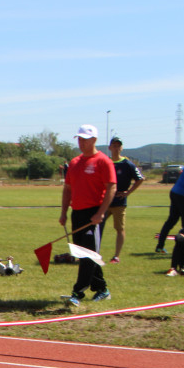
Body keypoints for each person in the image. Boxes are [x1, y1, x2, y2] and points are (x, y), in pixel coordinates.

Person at [60, 124, 116, 306]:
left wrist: (101, 213)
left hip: (95, 213)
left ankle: (77, 293)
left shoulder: (103, 161)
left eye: (85, 139)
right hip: (77, 213)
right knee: (83, 253)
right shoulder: (75, 163)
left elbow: (111, 188)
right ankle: (102, 289)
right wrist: (63, 213)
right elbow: (67, 189)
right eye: (79, 139)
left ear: (94, 140)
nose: (81, 142)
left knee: (88, 253)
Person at [105, 137, 145, 263]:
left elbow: (140, 178)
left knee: (119, 228)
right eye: (114, 145)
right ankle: (94, 253)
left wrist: (128, 192)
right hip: (104, 202)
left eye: (118, 146)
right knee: (96, 227)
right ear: (109, 148)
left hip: (119, 202)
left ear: (121, 148)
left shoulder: (127, 164)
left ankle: (116, 255)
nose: (116, 148)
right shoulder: (106, 162)